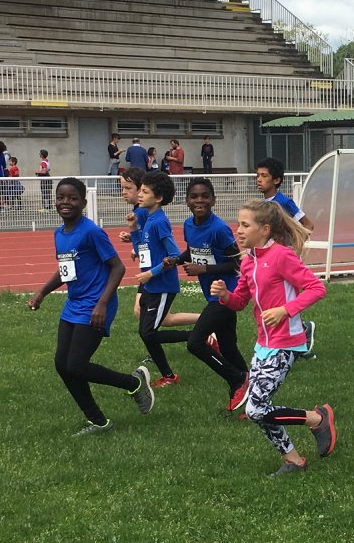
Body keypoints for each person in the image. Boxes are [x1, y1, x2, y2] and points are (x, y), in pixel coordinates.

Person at [209, 200, 333, 477]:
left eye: (245, 225)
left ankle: (317, 419)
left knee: (255, 409)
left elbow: (316, 288)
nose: (238, 230)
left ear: (265, 229)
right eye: (238, 224)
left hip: (286, 343)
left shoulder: (281, 256)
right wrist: (225, 296)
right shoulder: (248, 260)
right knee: (259, 409)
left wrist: (285, 310)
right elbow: (240, 301)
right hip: (263, 345)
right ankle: (293, 459)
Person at [27, 177, 155, 435]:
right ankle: (98, 421)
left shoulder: (91, 231)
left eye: (73, 198)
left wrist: (102, 304)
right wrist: (42, 292)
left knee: (76, 365)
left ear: (83, 203)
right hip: (74, 304)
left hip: (96, 305)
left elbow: (117, 267)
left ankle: (133, 382)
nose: (66, 202)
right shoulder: (59, 234)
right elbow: (66, 271)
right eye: (61, 197)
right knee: (62, 365)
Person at [163, 177, 250, 412]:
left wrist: (203, 269)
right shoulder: (189, 225)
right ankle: (253, 396)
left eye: (204, 196)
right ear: (186, 200)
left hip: (225, 294)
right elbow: (194, 249)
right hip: (211, 293)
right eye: (194, 196)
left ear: (213, 199)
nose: (199, 200)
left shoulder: (219, 228)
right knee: (228, 347)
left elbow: (236, 264)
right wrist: (177, 260)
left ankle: (236, 380)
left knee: (195, 343)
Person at [131, 171, 190, 388]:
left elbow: (174, 256)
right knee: (146, 332)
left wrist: (150, 273)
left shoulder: (159, 222)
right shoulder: (148, 219)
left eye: (145, 192)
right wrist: (134, 229)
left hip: (162, 286)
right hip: (151, 285)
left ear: (158, 198)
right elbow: (142, 249)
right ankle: (169, 374)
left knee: (148, 333)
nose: (140, 194)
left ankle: (195, 339)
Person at [255, 156, 317, 355]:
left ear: (276, 180)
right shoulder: (263, 205)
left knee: (286, 300)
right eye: (257, 175)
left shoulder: (283, 202)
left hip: (283, 261)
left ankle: (301, 339)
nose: (259, 179)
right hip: (270, 261)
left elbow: (308, 225)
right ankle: (290, 339)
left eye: (264, 176)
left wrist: (293, 249)